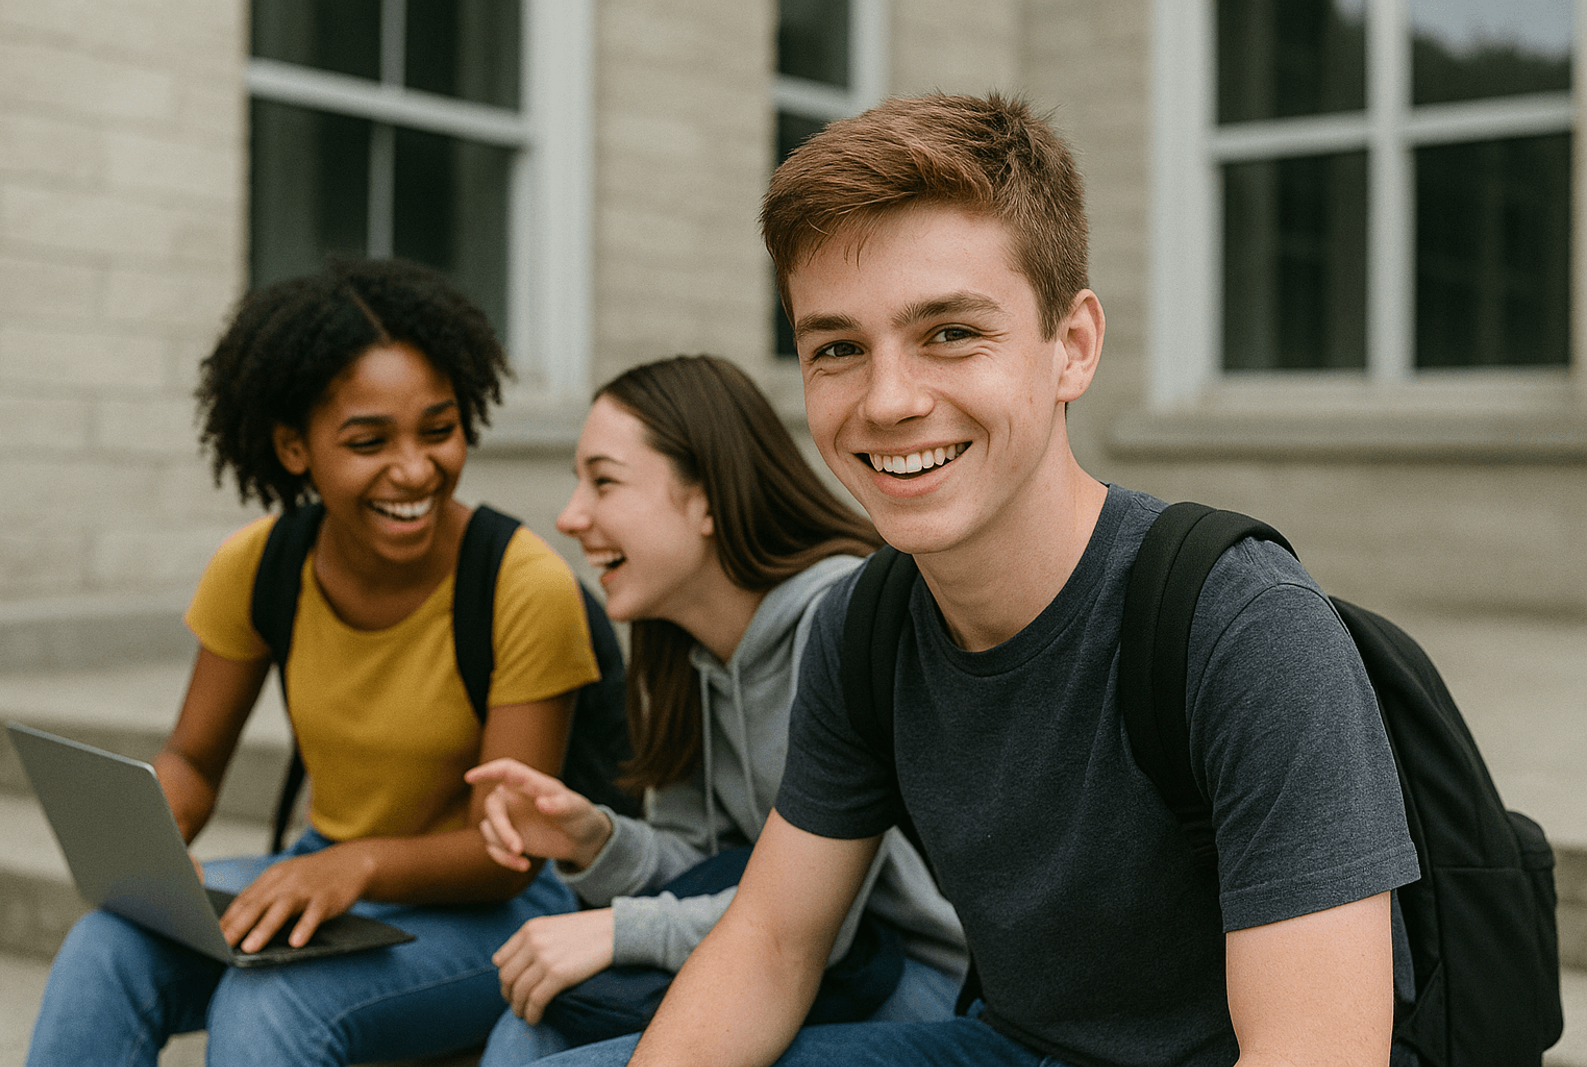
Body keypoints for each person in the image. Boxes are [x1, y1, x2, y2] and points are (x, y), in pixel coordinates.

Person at [537, 94, 1422, 1067]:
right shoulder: (865, 621)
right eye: (836, 347)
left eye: (951, 332)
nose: (888, 399)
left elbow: (1316, 1049)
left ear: (1072, 347)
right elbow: (773, 942)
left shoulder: (1240, 621)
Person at [25, 258, 600, 1067]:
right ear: (294, 448)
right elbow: (192, 757)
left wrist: (354, 864)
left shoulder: (522, 585)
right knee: (107, 945)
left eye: (438, 429)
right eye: (369, 441)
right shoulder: (260, 566)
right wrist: (157, 846)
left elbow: (504, 854)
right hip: (328, 872)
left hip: (497, 912)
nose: (414, 468)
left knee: (275, 1001)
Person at [467, 355, 967, 1064]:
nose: (571, 515)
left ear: (707, 496)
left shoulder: (839, 621)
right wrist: (596, 840)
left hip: (907, 978)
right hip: (778, 965)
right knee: (528, 1022)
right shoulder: (681, 651)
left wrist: (617, 928)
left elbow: (822, 921)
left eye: (603, 481)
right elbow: (707, 861)